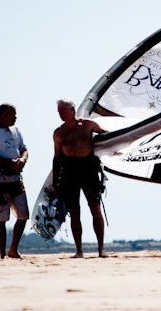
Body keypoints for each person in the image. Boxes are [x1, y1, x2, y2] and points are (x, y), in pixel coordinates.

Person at [53, 98, 108, 258]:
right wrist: (56, 182)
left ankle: (101, 249)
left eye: (62, 110)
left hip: (89, 170)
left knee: (95, 209)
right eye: (58, 111)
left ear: (72, 110)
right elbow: (56, 158)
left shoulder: (87, 125)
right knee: (74, 212)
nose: (60, 113)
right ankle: (79, 251)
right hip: (69, 173)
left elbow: (106, 134)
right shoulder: (59, 132)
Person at [0, 103, 29, 259]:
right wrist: (12, 163)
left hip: (16, 178)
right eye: (12, 114)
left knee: (23, 214)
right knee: (2, 217)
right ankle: (2, 253)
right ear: (3, 116)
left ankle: (13, 249)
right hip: (1, 180)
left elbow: (24, 148)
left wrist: (22, 160)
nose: (15, 117)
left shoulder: (16, 131)